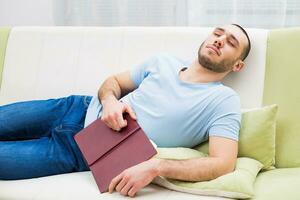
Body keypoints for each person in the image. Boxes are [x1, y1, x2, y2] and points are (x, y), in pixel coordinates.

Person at [0, 24, 251, 197]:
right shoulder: (163, 61)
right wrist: (110, 101)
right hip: (73, 107)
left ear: (238, 65)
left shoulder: (223, 100)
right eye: (218, 33)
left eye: (231, 42)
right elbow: (114, 82)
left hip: (80, 153)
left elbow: (223, 163)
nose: (220, 40)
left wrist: (158, 167)